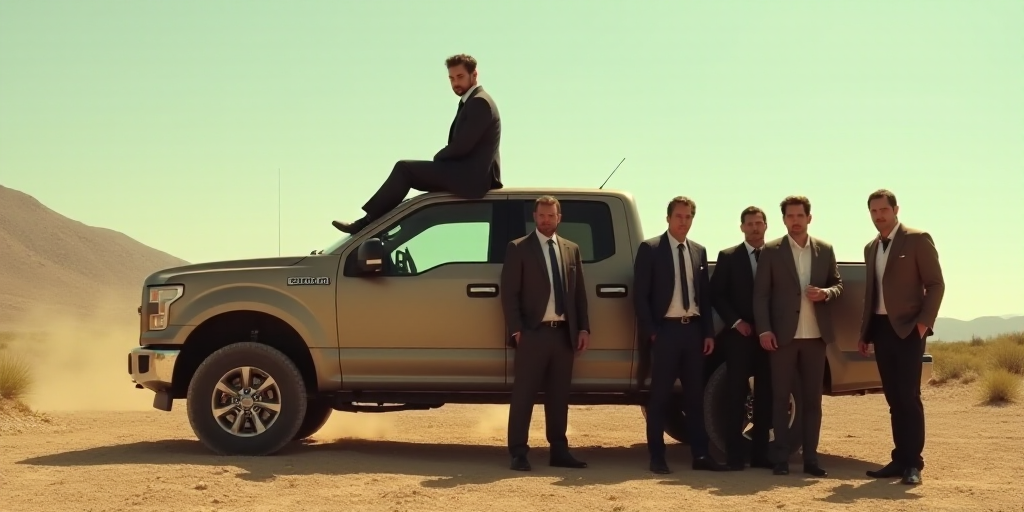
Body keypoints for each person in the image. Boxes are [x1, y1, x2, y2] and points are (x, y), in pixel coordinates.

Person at [332, 53, 503, 233]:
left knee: (405, 170)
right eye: (451, 78)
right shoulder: (474, 101)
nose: (455, 83)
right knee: (408, 173)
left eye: (460, 77)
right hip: (468, 174)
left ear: (474, 75)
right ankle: (375, 224)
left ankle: (366, 224)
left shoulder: (479, 102)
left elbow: (462, 146)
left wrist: (438, 158)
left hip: (471, 179)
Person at [634, 196, 729, 474]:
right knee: (660, 398)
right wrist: (653, 332)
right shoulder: (651, 249)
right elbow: (640, 296)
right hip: (665, 332)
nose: (683, 222)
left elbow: (705, 297)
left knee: (695, 398)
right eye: (678, 216)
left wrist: (708, 333)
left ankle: (701, 455)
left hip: (693, 333)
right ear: (668, 218)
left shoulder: (698, 251)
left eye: (688, 217)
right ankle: (657, 457)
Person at [858, 189, 944, 486]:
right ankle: (899, 459)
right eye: (873, 211)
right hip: (881, 329)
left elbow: (936, 284)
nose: (878, 216)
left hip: (909, 329)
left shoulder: (917, 239)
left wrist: (923, 324)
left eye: (883, 210)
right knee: (893, 398)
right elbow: (871, 294)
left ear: (895, 210)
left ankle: (913, 464)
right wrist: (865, 332)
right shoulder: (871, 247)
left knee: (909, 396)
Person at [753, 195, 842, 477]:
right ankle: (780, 458)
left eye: (799, 216)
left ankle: (811, 459)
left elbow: (837, 284)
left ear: (809, 218)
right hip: (782, 338)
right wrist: (764, 329)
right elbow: (761, 295)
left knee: (813, 401)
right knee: (780, 399)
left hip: (816, 337)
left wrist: (826, 293)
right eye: (790, 216)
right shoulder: (771, 251)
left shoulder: (825, 250)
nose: (795, 221)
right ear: (783, 220)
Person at [500, 195, 590, 472]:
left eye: (551, 215)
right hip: (533, 334)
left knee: (559, 397)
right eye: (541, 215)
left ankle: (559, 451)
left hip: (563, 335)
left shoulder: (571, 249)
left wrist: (583, 327)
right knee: (524, 395)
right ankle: (518, 453)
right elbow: (509, 293)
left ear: (559, 218)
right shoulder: (519, 248)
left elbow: (579, 294)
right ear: (534, 217)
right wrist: (517, 330)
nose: (546, 220)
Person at [709, 205, 774, 471]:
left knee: (766, 394)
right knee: (735, 394)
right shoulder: (728, 257)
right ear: (742, 227)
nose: (754, 228)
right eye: (749, 224)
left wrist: (771, 327)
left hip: (769, 336)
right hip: (739, 336)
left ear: (766, 226)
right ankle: (734, 455)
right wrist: (736, 322)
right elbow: (716, 294)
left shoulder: (777, 255)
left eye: (759, 223)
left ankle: (761, 455)